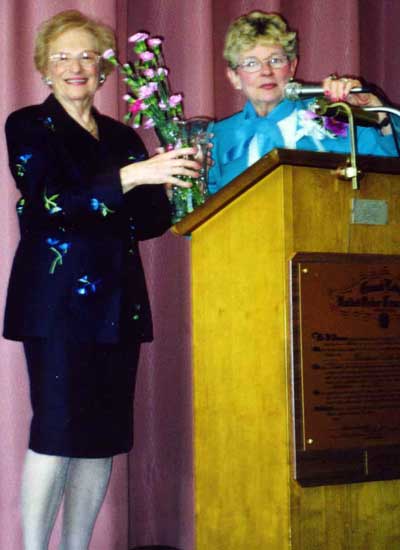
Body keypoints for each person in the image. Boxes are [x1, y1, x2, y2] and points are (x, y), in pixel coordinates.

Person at [3, 10, 200, 550]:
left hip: (119, 304)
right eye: (62, 56)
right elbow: (45, 205)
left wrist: (184, 185)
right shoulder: (26, 124)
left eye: (87, 55)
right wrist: (132, 178)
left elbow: (152, 220)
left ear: (104, 70)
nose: (76, 66)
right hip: (56, 304)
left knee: (102, 441)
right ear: (44, 68)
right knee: (56, 434)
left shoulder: (122, 135)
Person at [208, 11, 398, 193]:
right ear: (234, 77)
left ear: (292, 67)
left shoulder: (334, 114)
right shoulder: (217, 138)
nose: (266, 71)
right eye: (251, 63)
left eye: (275, 60)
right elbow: (199, 212)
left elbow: (389, 176)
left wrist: (376, 112)